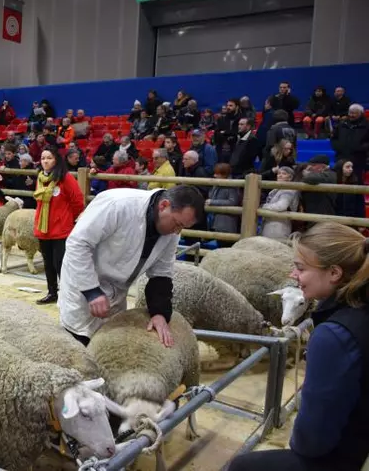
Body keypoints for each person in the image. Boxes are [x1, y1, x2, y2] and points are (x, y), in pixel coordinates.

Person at [229, 222, 369, 471]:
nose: (293, 275)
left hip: (345, 458)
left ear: (334, 273)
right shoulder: (360, 310)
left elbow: (311, 443)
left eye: (300, 268)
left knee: (240, 466)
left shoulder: (334, 336)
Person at [59, 185, 205, 347]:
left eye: (182, 227)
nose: (177, 232)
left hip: (116, 293)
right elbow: (78, 243)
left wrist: (160, 313)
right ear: (163, 205)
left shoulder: (171, 232)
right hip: (83, 288)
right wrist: (91, 290)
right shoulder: (118, 205)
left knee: (107, 348)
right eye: (177, 223)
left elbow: (161, 273)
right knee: (77, 344)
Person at [33, 146, 85, 305]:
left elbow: (77, 200)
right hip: (44, 227)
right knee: (47, 263)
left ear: (56, 159)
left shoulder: (65, 178)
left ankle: (68, 294)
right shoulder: (41, 177)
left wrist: (73, 219)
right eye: (43, 158)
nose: (45, 161)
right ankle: (52, 292)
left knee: (61, 263)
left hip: (61, 228)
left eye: (49, 158)